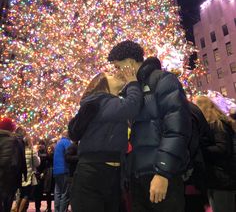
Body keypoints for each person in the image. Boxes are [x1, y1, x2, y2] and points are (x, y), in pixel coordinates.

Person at [108, 40, 192, 212]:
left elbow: (176, 129)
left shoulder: (162, 80)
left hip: (160, 176)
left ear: (130, 62)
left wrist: (163, 172)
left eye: (118, 67)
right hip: (138, 177)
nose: (116, 73)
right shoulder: (131, 91)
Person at [68, 69, 143, 212]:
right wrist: (133, 82)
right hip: (94, 172)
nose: (115, 75)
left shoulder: (109, 103)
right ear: (103, 84)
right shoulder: (101, 101)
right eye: (110, 75)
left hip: (110, 172)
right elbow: (132, 106)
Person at [195, 96, 236, 212]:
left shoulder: (218, 125)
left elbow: (222, 149)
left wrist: (201, 150)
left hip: (223, 180)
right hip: (218, 179)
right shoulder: (216, 125)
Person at [0, 118, 26, 212]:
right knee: (7, 203)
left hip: (5, 177)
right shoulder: (15, 141)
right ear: (11, 129)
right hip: (9, 179)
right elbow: (18, 162)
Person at [17, 136, 40, 212]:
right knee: (26, 195)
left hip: (21, 174)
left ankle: (17, 209)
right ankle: (20, 210)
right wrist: (38, 158)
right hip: (29, 175)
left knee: (20, 194)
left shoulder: (20, 150)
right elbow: (37, 163)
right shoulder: (32, 151)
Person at [53, 131, 71, 212]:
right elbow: (69, 155)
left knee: (57, 193)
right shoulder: (67, 142)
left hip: (56, 171)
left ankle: (57, 210)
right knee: (65, 194)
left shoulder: (58, 143)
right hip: (64, 170)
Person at [35, 140, 48, 212]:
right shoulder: (36, 152)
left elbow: (47, 164)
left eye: (42, 144)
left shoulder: (46, 152)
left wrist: (43, 172)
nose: (41, 145)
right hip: (37, 174)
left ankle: (46, 207)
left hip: (44, 174)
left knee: (42, 192)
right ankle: (37, 208)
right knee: (37, 192)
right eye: (40, 144)